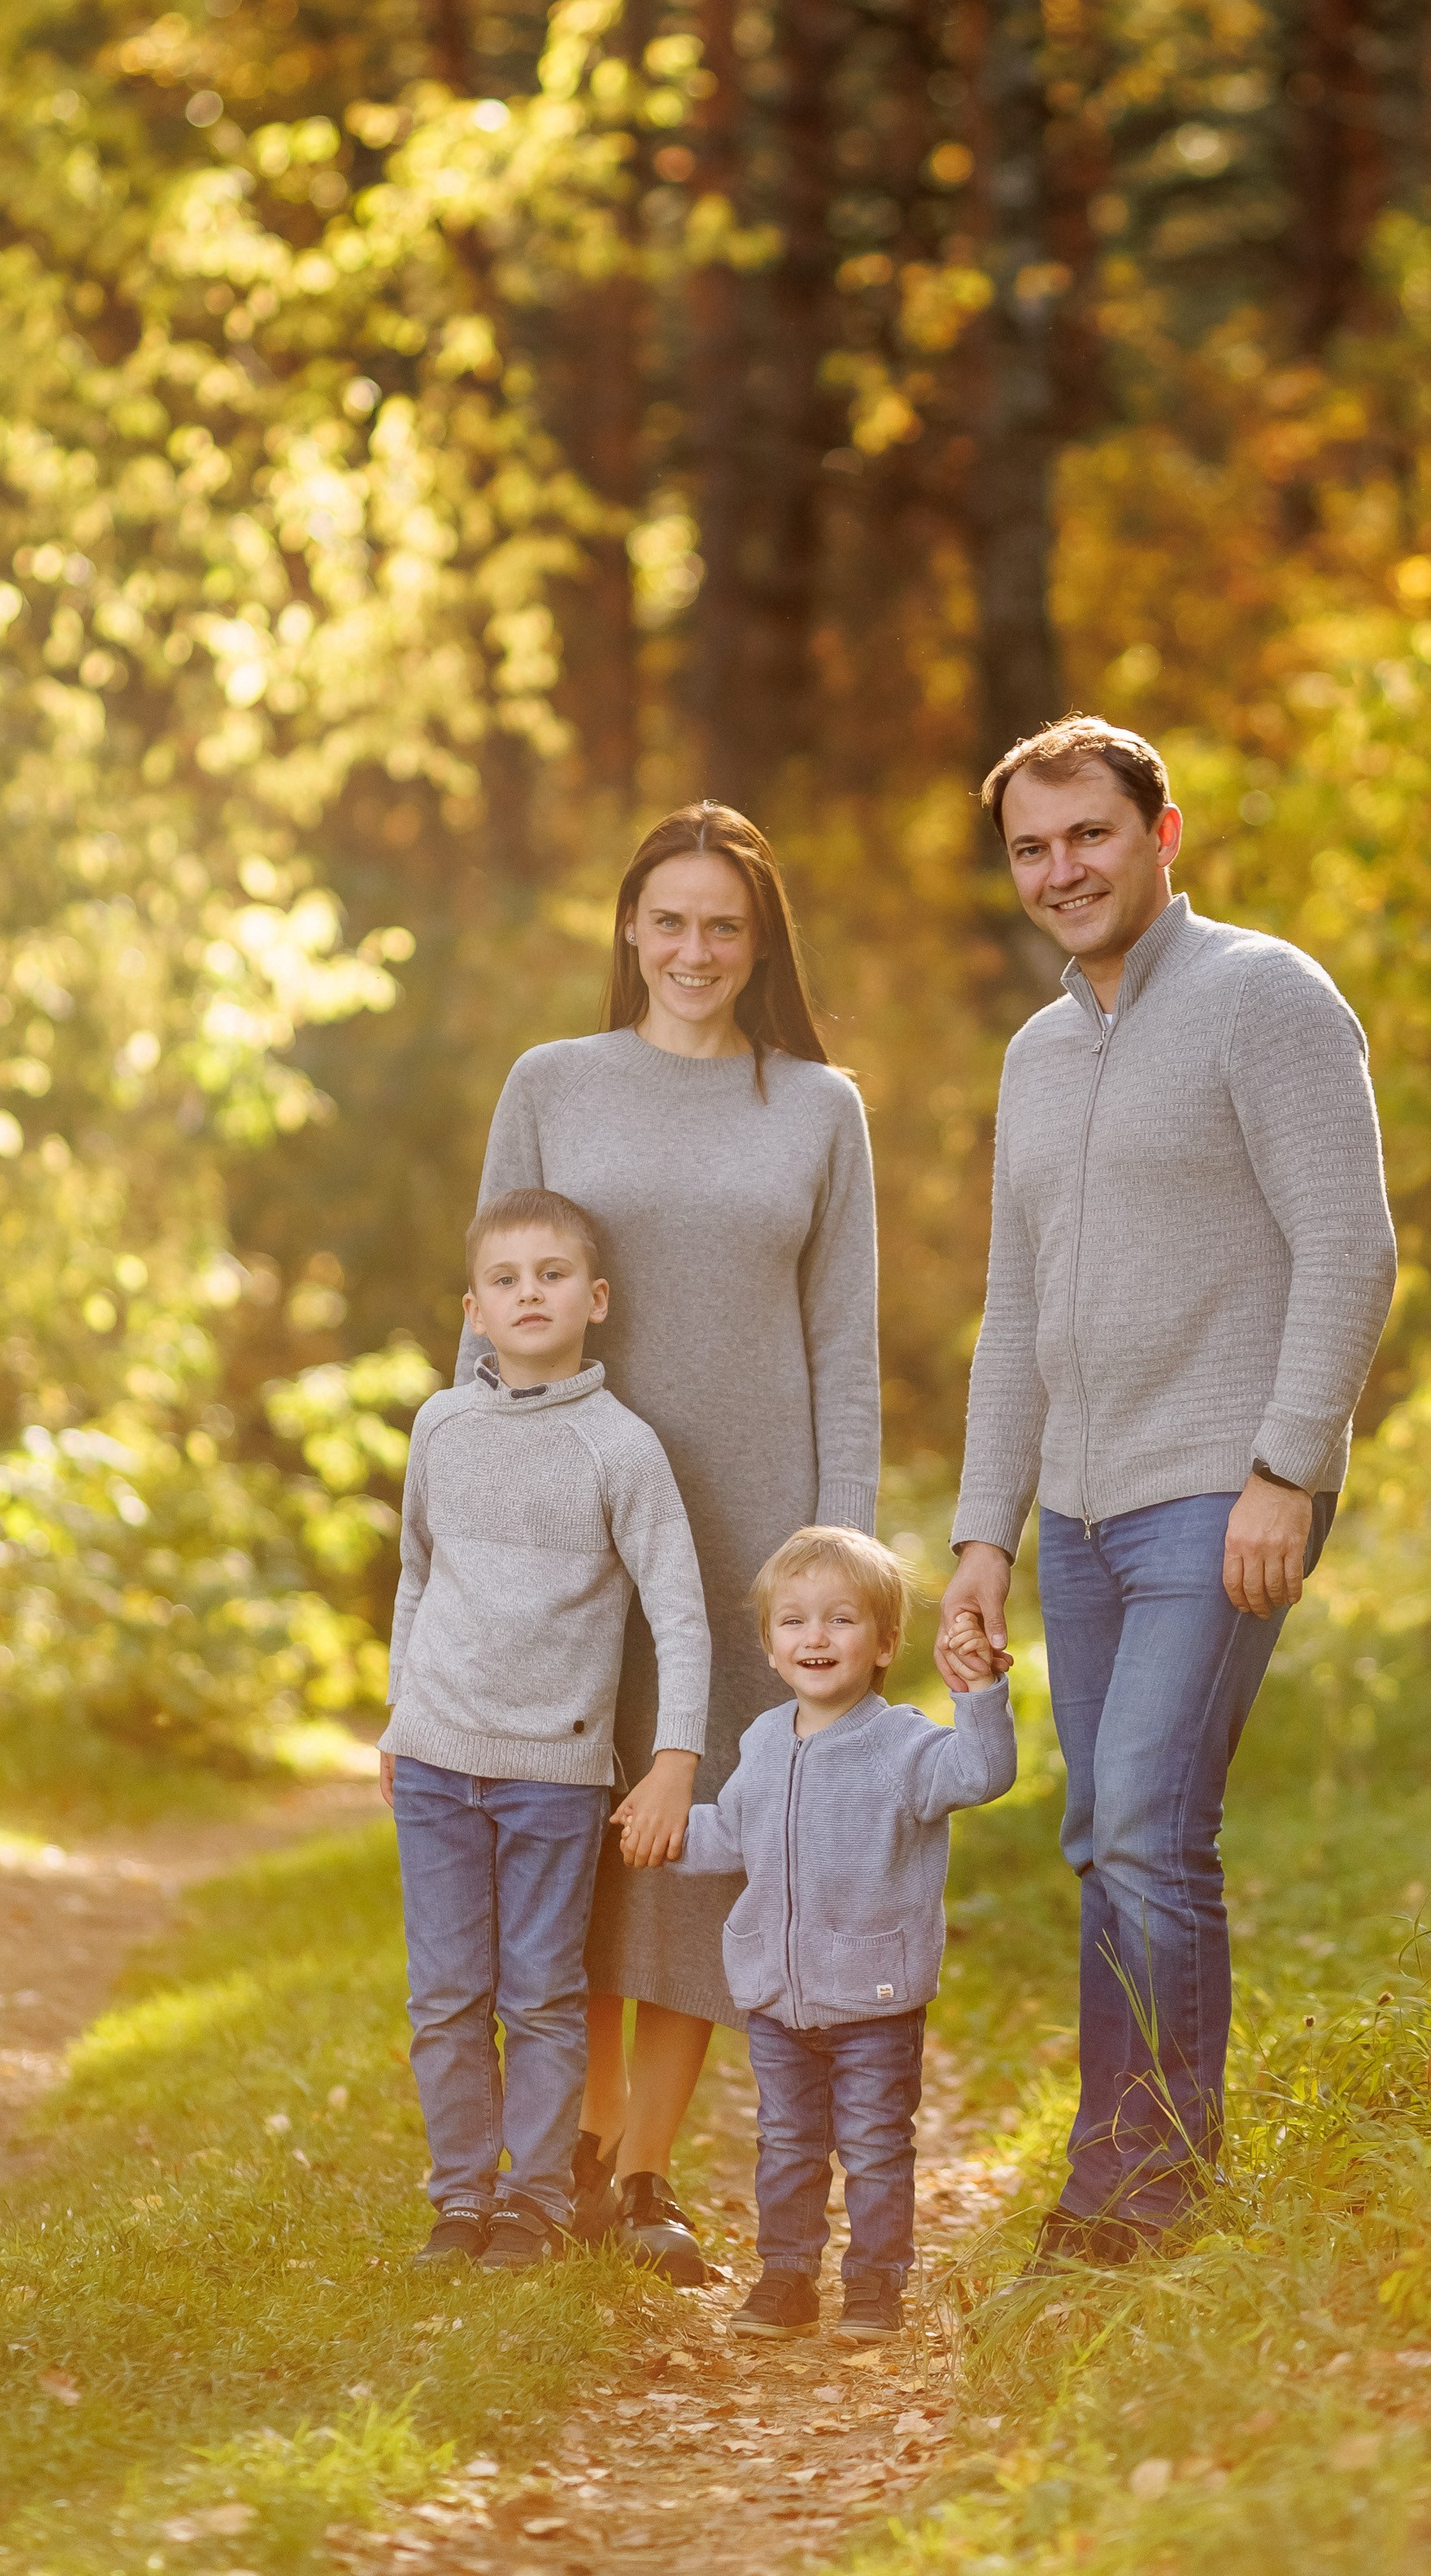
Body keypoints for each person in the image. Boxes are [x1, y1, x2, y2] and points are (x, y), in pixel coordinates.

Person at [936, 714, 1397, 2269]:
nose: (1062, 869)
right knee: (1107, 1832)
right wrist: (980, 1535)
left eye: (1091, 836)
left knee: (1143, 1816)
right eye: (1033, 847)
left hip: (1220, 1484)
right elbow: (1013, 1315)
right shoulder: (1038, 1052)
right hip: (1077, 1507)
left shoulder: (1266, 998)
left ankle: (1163, 2179)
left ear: (1163, 835)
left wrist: (1286, 1470)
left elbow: (1350, 1246)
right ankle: (1112, 2170)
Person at [462, 805, 880, 2281]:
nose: (693, 949)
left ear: (757, 945)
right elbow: (493, 1301)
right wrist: (480, 1518)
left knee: (702, 1853)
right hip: (575, 1537)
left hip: (752, 1542)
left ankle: (640, 2178)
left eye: (724, 926)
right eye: (670, 920)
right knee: (570, 1837)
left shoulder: (819, 1106)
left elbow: (845, 1347)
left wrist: (843, 1558)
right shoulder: (554, 1084)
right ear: (629, 931)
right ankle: (553, 2152)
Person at [380, 1187, 711, 2269]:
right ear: (474, 1308)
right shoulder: (441, 1425)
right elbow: (416, 1574)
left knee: (542, 1993)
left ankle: (534, 2204)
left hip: (554, 1778)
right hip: (435, 1760)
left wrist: (673, 1759)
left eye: (552, 1274)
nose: (530, 1293)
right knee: (446, 1997)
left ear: (596, 1299)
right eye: (507, 1279)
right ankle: (460, 2202)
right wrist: (398, 1719)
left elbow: (679, 1610)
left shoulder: (622, 1449)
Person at [648, 1526, 1014, 2340]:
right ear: (772, 1647)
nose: (816, 1637)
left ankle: (875, 2287)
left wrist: (980, 1695)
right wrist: (657, 1833)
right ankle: (787, 2279)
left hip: (874, 1998)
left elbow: (982, 1773)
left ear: (884, 1644)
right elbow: (733, 1835)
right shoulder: (764, 1742)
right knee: (786, 2146)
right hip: (779, 1999)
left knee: (877, 2149)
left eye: (841, 1620)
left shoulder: (901, 1745)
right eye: (795, 1622)